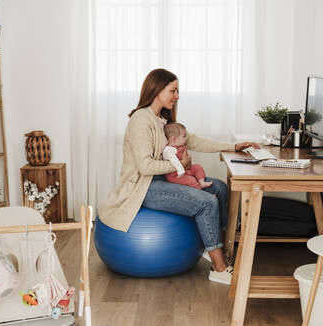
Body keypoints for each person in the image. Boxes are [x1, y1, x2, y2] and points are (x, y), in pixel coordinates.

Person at [98, 68, 258, 285]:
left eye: (177, 90)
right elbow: (145, 166)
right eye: (173, 90)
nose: (177, 96)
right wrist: (179, 164)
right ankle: (219, 267)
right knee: (207, 202)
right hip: (144, 187)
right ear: (157, 90)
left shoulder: (162, 120)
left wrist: (235, 146)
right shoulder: (140, 120)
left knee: (219, 188)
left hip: (166, 179)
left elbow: (196, 141)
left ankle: (215, 247)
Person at [162, 122, 213, 189]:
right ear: (173, 139)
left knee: (198, 167)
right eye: (184, 136)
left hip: (186, 169)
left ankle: (202, 183)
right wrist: (181, 171)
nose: (186, 138)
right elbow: (175, 162)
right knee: (191, 180)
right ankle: (201, 192)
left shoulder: (181, 146)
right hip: (176, 174)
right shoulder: (169, 150)